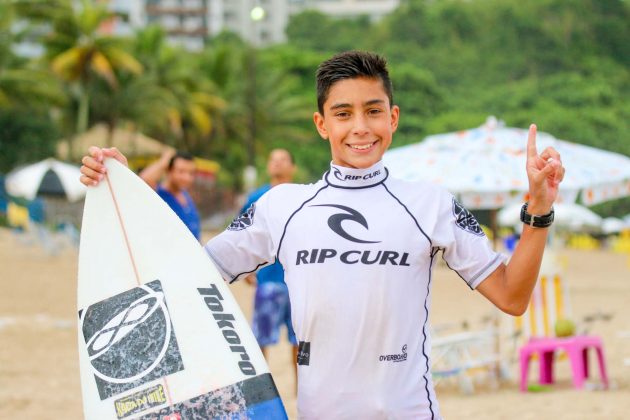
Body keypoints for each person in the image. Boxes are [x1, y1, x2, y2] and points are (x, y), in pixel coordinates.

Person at [80, 51, 565, 419]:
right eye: (343, 113)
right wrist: (129, 196)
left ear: (393, 118)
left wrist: (538, 211)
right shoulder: (282, 207)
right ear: (321, 123)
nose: (360, 127)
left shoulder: (430, 203)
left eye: (374, 111)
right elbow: (186, 277)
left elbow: (512, 296)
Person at [240, 149, 299, 386]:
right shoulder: (257, 197)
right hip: (268, 281)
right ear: (267, 166)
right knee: (261, 340)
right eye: (273, 160)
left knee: (301, 341)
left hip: (297, 281)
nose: (277, 164)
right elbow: (242, 233)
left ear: (292, 167)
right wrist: (247, 268)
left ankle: (300, 392)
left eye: (283, 159)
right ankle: (264, 392)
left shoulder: (302, 196)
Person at [139, 150, 201, 241]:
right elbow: (143, 180)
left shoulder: (185, 195)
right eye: (181, 171)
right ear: (169, 171)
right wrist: (164, 161)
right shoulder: (158, 195)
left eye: (191, 173)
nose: (187, 178)